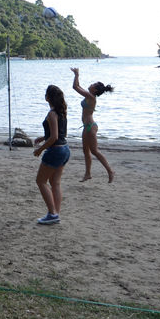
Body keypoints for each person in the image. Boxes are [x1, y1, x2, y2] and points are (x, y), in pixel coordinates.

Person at [32, 85, 70, 225]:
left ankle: (52, 213)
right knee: (55, 183)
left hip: (56, 151)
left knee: (41, 181)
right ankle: (55, 213)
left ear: (48, 97)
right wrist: (42, 138)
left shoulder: (52, 114)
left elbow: (54, 137)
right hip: (65, 149)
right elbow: (59, 134)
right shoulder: (61, 112)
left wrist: (40, 149)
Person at [71, 67, 115, 182]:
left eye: (93, 84)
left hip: (90, 127)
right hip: (87, 126)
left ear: (95, 90)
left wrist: (76, 74)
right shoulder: (88, 95)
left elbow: (75, 87)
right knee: (86, 151)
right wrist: (77, 76)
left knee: (94, 151)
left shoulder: (91, 97)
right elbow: (78, 86)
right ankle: (88, 174)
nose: (90, 84)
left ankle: (110, 171)